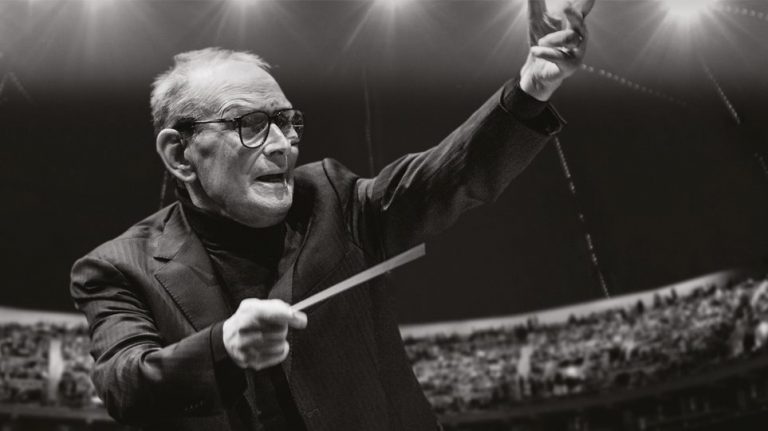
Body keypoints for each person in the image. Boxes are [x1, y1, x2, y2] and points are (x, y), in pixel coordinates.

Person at [70, 2, 590, 430]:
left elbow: (448, 177)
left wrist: (531, 88)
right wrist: (224, 346)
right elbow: (123, 385)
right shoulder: (117, 268)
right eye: (251, 124)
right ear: (180, 155)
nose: (283, 145)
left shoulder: (333, 199)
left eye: (286, 121)